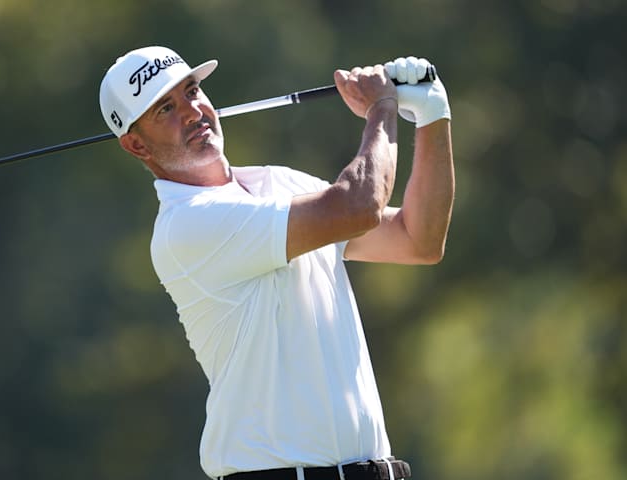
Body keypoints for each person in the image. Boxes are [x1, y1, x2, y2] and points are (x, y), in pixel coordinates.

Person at [99, 46, 453, 480]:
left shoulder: (280, 183)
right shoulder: (186, 226)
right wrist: (382, 110)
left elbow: (418, 239)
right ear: (136, 145)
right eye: (165, 109)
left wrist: (434, 116)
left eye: (192, 91)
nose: (192, 112)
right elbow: (359, 206)